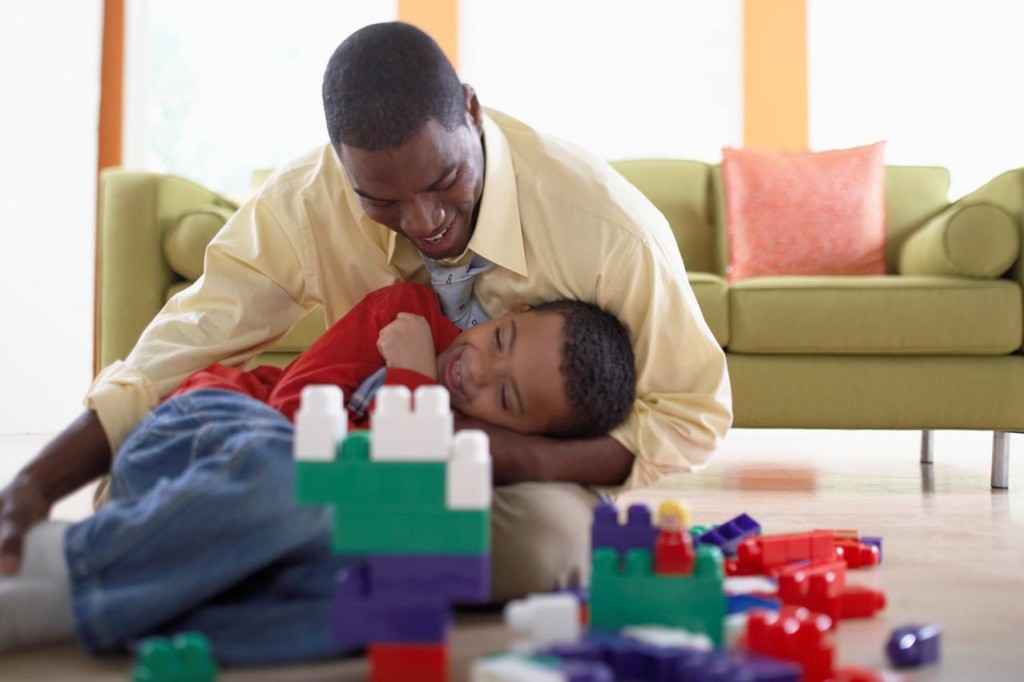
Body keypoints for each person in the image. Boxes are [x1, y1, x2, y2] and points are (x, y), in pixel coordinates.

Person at [0, 21, 731, 614]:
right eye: (381, 199)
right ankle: (253, 554)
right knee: (175, 472)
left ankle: (217, 560)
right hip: (335, 456)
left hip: (505, 478)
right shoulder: (308, 202)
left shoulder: (605, 229)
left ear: (471, 114)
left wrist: (518, 456)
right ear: (344, 166)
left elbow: (694, 412)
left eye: (445, 180)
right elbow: (183, 345)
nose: (424, 221)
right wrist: (33, 485)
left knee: (543, 545)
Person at [0, 281, 636, 661]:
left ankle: (136, 605)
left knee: (371, 605)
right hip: (211, 435)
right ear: (508, 312)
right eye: (499, 341)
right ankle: (63, 572)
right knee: (298, 485)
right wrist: (412, 376)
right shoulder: (406, 314)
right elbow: (297, 426)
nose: (476, 371)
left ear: (519, 430)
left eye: (508, 399)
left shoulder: (475, 449)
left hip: (255, 523)